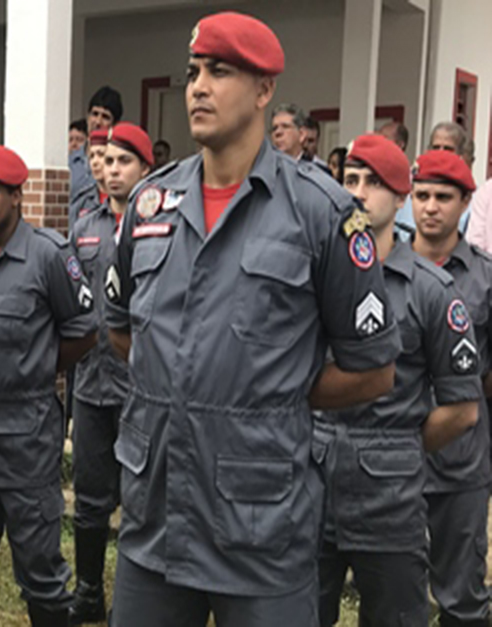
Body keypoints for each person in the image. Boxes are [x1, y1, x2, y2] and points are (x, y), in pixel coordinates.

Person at [105, 13, 401, 625]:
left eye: (220, 72)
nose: (197, 87)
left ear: (264, 90)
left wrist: (274, 389)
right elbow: (119, 327)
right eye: (192, 74)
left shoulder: (323, 214)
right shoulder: (151, 203)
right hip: (155, 515)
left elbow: (372, 370)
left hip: (261, 522)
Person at [318, 136, 481, 626]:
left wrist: (402, 445)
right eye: (350, 180)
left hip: (390, 500)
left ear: (401, 195)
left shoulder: (430, 290)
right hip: (314, 483)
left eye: (373, 183)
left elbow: (462, 407)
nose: (358, 194)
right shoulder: (318, 276)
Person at [0, 144, 97, 626]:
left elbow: (83, 330)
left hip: (24, 442)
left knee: (40, 572)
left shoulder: (47, 255)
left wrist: (37, 364)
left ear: (16, 195)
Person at [68, 123, 153, 624]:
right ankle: (87, 589)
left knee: (140, 500)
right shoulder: (85, 225)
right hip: (92, 380)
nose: (112, 170)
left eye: (124, 161)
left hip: (141, 385)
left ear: (145, 168)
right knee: (90, 495)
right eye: (106, 160)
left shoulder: (161, 224)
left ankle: (133, 596)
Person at [410, 149, 492, 627]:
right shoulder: (381, 268)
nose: (431, 207)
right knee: (397, 594)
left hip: (461, 461)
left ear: (466, 202)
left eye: (444, 197)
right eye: (422, 195)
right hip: (392, 458)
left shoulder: (484, 277)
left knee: (460, 597)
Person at [395, 122, 476, 240]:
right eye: (436, 148)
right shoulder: (409, 189)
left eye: (448, 149)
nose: (440, 153)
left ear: (462, 156)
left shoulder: (472, 201)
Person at [69, 129, 110, 229]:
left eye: (101, 155)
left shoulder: (125, 199)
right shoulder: (82, 201)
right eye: (92, 156)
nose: (95, 162)